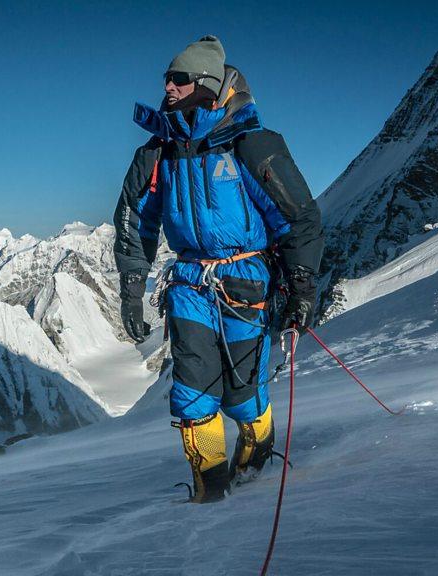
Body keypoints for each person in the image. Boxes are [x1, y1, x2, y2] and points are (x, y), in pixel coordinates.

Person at [113, 36, 324, 503]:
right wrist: (131, 287)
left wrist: (302, 286)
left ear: (205, 84)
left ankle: (255, 466)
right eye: (167, 78)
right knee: (192, 393)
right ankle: (210, 491)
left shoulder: (250, 145)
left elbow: (297, 217)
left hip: (245, 280)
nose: (167, 85)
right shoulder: (156, 152)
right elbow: (134, 218)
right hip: (189, 283)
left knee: (244, 395)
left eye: (179, 79)